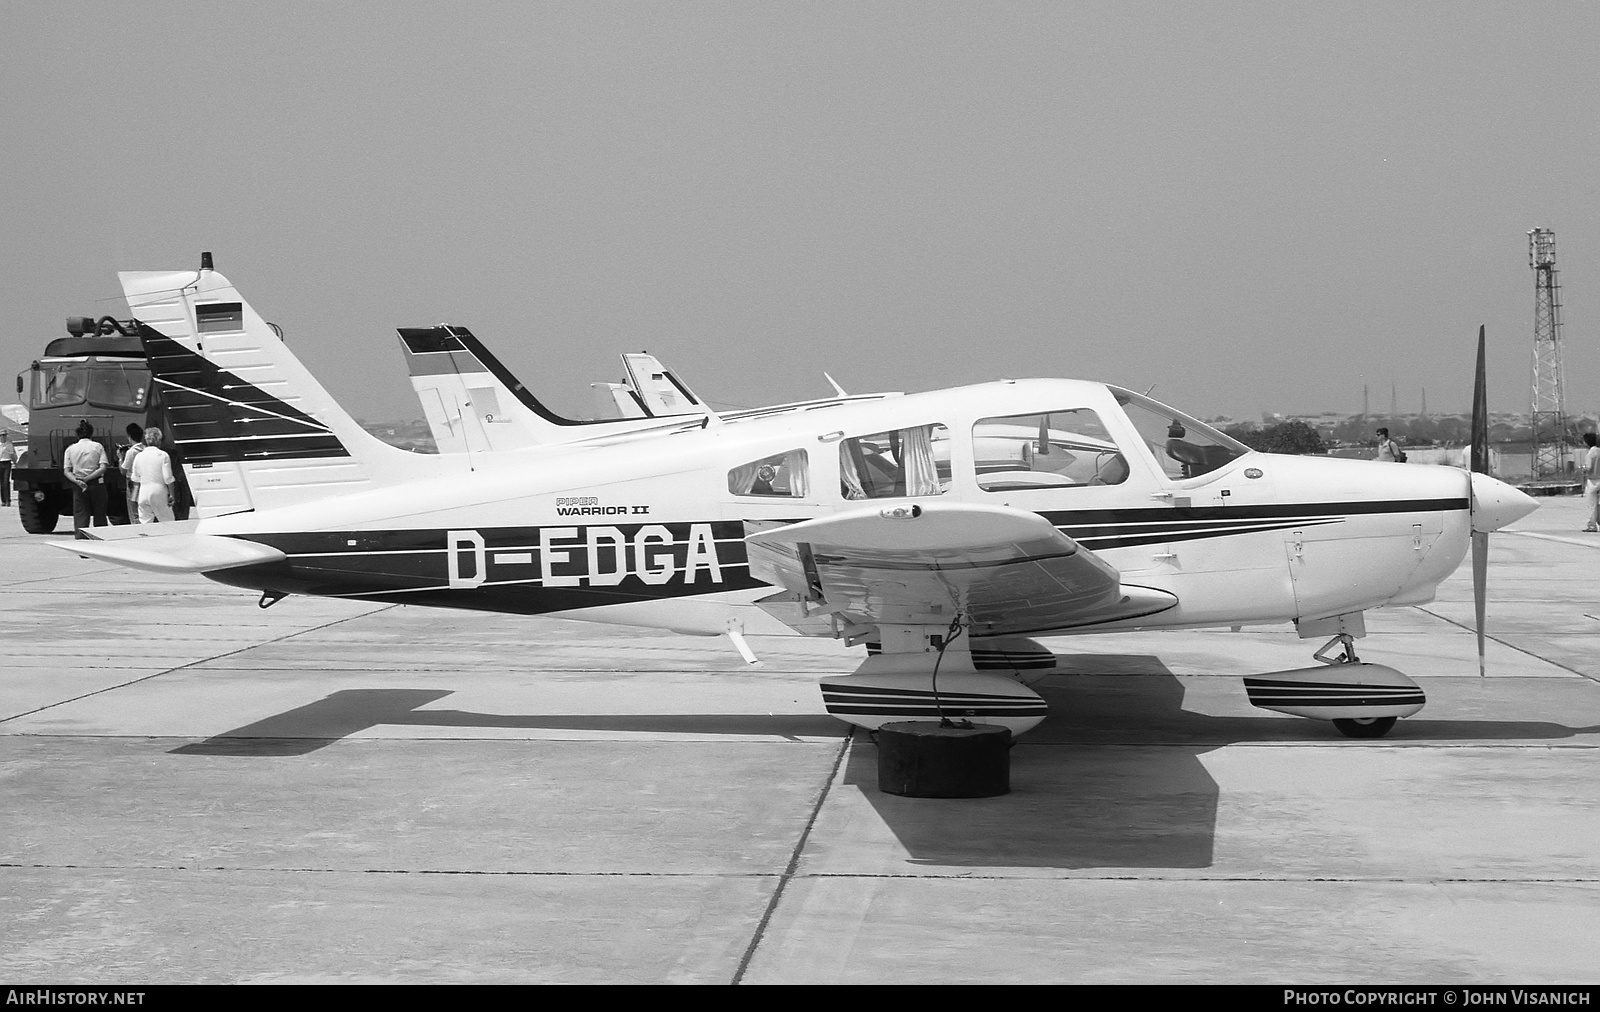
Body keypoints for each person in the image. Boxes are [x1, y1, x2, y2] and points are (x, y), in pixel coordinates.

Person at [62, 420, 110, 536]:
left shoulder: (70, 449)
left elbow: (67, 471)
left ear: (77, 434)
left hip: (78, 484)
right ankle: (100, 541)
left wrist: (78, 481)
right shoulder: (97, 447)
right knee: (100, 514)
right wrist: (88, 478)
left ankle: (81, 542)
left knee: (80, 514)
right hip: (96, 483)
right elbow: (103, 467)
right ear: (91, 433)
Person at [128, 426, 176, 524]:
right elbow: (168, 478)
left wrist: (134, 498)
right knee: (168, 522)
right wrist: (172, 494)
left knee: (145, 523)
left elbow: (135, 478)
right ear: (159, 440)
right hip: (159, 491)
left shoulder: (139, 456)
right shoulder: (163, 455)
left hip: (143, 492)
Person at [119, 423, 145, 523]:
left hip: (133, 484)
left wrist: (120, 458)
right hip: (145, 481)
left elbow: (123, 471)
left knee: (134, 512)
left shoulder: (131, 452)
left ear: (129, 437)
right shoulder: (145, 448)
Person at [1583, 432, 1600, 533]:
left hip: (1593, 481)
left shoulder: (1591, 452)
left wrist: (1583, 469)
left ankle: (1592, 525)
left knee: (1592, 504)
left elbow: (1588, 467)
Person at [0, 431, 16, 507]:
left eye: (4, 435)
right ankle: (3, 500)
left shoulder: (9, 444)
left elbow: (12, 454)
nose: (3, 437)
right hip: (0, 463)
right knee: (1, 482)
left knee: (6, 482)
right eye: (1, 435)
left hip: (7, 463)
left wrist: (15, 462)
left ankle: (8, 500)